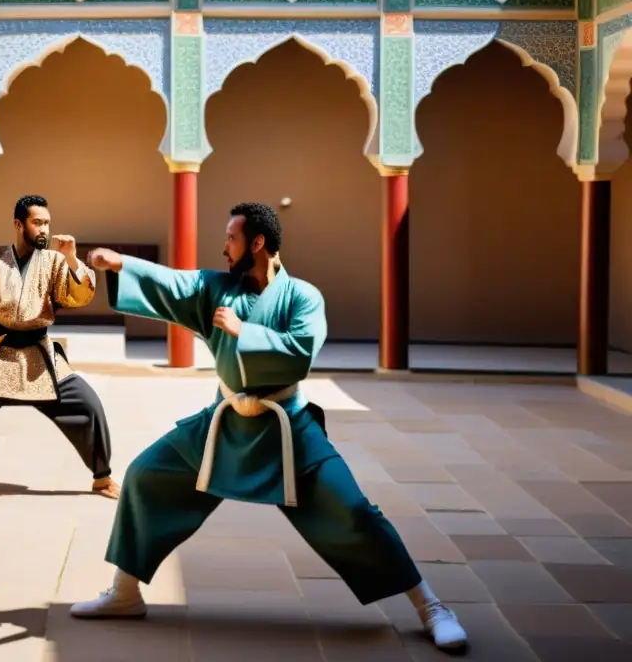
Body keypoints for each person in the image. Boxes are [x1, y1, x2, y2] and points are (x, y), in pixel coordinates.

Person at [69, 202, 468, 653]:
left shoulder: (303, 297)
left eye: (231, 239)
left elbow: (301, 351)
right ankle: (125, 592)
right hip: (224, 423)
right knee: (145, 476)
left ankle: (431, 607)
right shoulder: (218, 289)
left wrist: (243, 332)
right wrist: (118, 263)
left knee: (354, 512)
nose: (224, 248)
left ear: (257, 243)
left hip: (287, 429)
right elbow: (176, 282)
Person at [0, 194, 119, 499]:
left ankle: (102, 478)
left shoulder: (54, 262)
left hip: (38, 359)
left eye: (47, 223)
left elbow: (79, 297)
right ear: (18, 224)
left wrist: (70, 257)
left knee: (88, 405)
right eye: (37, 222)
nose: (44, 229)